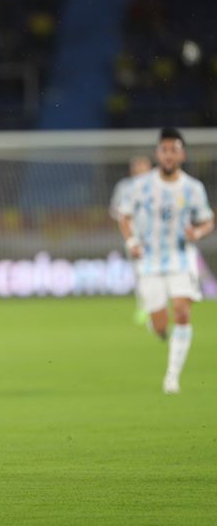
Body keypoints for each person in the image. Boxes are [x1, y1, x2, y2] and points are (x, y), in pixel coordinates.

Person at [118, 127, 214, 394]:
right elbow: (123, 216)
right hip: (149, 260)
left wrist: (197, 232)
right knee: (161, 326)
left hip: (180, 258)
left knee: (182, 311)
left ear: (182, 155)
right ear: (158, 153)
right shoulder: (140, 186)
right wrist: (132, 242)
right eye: (164, 150)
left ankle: (172, 377)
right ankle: (156, 322)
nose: (169, 155)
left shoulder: (193, 188)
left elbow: (208, 220)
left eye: (174, 150)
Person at [109, 155, 153, 327]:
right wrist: (126, 219)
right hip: (133, 237)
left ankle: (156, 307)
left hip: (157, 238)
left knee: (157, 274)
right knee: (141, 274)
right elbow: (115, 210)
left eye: (143, 166)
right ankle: (143, 308)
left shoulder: (159, 186)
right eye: (137, 166)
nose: (140, 169)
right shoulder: (124, 187)